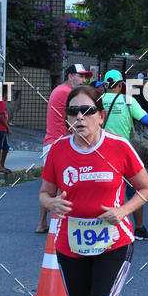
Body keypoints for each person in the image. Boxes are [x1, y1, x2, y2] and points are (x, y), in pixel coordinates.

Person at [40, 85, 148, 296]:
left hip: (112, 242)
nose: (79, 117)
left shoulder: (119, 147)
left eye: (87, 111)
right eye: (73, 112)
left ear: (101, 116)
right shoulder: (59, 151)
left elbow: (145, 188)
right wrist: (52, 204)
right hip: (70, 244)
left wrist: (123, 210)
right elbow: (44, 194)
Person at [36, 63, 93, 233]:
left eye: (85, 77)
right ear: (70, 76)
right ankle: (57, 225)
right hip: (59, 145)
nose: (83, 80)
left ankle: (42, 223)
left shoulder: (59, 90)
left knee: (50, 187)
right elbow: (73, 122)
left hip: (52, 143)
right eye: (80, 76)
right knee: (63, 186)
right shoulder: (67, 94)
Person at [101, 69, 148, 239]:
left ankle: (102, 225)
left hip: (101, 153)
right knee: (136, 189)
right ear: (121, 84)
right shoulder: (128, 100)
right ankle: (139, 228)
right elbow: (147, 120)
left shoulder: (98, 100)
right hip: (124, 152)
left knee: (104, 189)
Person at [0, 83, 12, 173]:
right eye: (9, 93)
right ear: (5, 94)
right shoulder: (1, 103)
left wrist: (6, 128)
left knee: (6, 147)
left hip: (1, 128)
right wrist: (8, 128)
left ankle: (1, 165)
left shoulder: (2, 103)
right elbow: (1, 117)